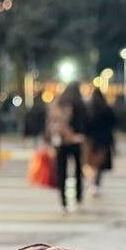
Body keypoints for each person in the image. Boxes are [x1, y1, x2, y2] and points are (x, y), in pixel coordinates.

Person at [47, 83, 90, 212]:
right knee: (78, 169)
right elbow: (87, 121)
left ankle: (63, 200)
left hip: (61, 141)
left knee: (62, 170)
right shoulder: (80, 104)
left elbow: (51, 121)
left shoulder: (59, 103)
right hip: (77, 140)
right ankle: (78, 196)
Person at [86, 87, 117, 197]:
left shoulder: (89, 109)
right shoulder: (105, 108)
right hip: (104, 139)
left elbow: (86, 124)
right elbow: (113, 121)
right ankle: (96, 184)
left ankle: (91, 182)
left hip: (91, 140)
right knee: (100, 163)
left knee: (91, 163)